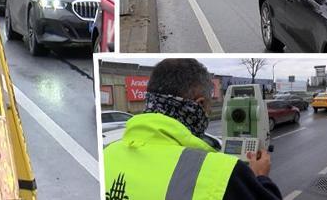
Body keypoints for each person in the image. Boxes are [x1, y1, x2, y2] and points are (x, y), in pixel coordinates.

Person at [104, 59, 283, 200]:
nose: (208, 112)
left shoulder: (108, 154)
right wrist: (261, 178)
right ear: (199, 105)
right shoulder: (220, 174)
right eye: (208, 106)